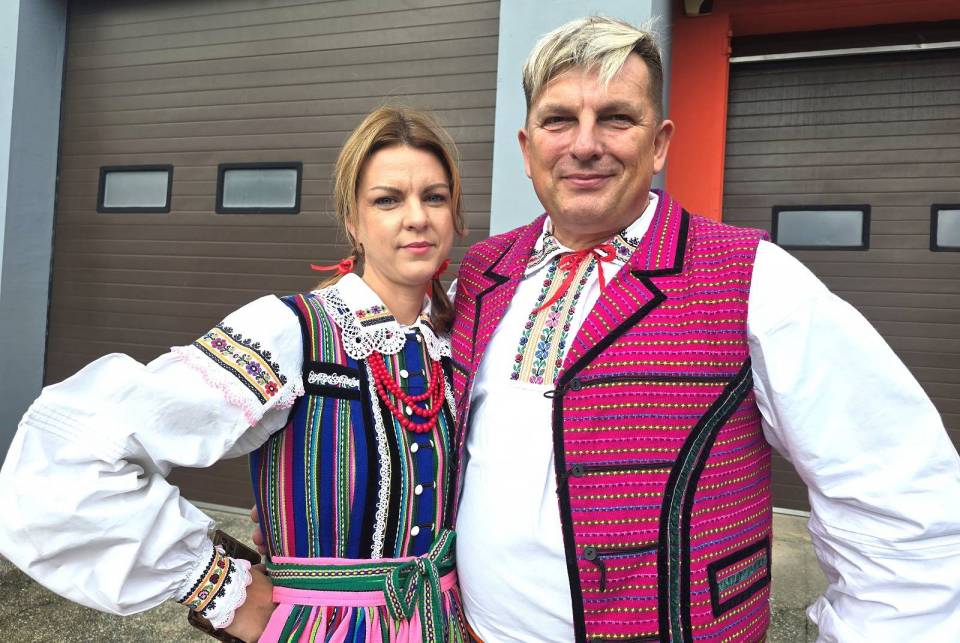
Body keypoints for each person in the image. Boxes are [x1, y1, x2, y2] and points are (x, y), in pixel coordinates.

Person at [447, 16, 960, 643]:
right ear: (528, 149)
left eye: (616, 118)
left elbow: (896, 496)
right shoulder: (483, 273)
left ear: (659, 143)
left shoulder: (754, 277)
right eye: (559, 120)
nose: (584, 144)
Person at [0, 106, 471, 642]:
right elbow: (69, 451)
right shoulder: (292, 332)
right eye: (387, 199)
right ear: (352, 220)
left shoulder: (457, 340)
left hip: (445, 624)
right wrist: (218, 586)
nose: (417, 217)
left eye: (435, 197)